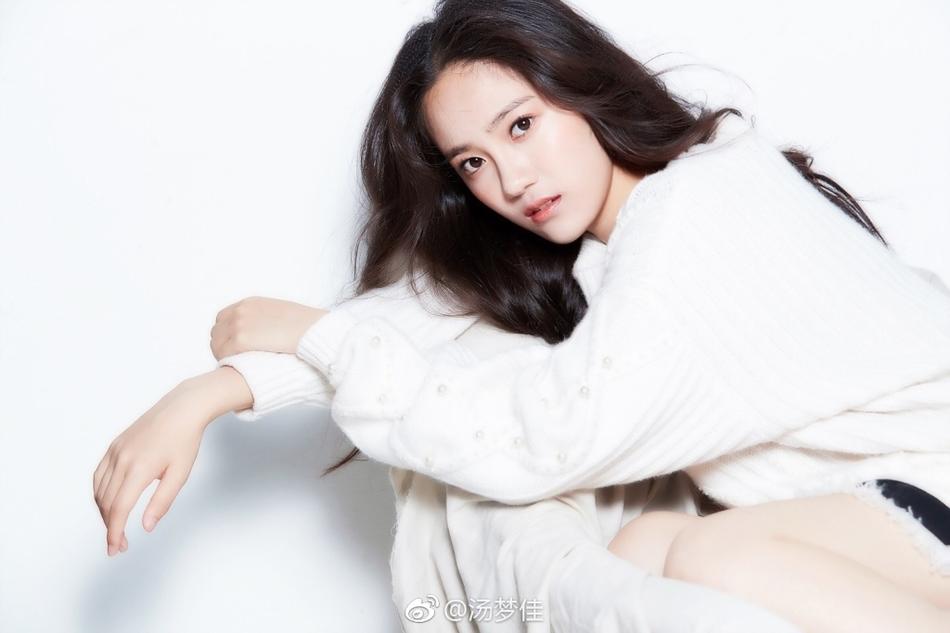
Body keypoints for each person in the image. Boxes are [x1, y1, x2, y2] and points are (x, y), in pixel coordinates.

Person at [92, 0, 950, 631]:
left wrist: (323, 338)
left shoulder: (694, 210)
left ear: (582, 86)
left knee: (707, 555)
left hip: (931, 481)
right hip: (883, 502)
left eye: (522, 125)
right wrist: (215, 391)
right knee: (638, 554)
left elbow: (553, 436)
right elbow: (423, 313)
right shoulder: (609, 241)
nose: (510, 179)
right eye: (472, 161)